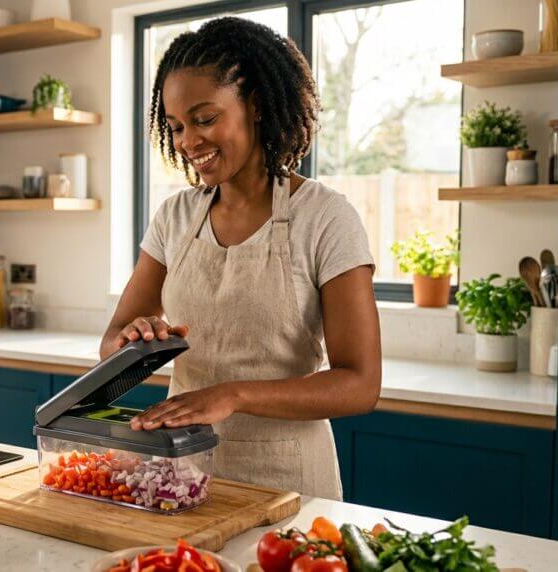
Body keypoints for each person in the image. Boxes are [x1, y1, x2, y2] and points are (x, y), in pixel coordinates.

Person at [99, 17, 382, 500]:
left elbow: (359, 384)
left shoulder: (326, 217)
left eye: (205, 119)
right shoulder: (175, 217)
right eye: (177, 127)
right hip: (183, 478)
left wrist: (233, 394)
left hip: (290, 488)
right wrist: (134, 343)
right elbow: (110, 348)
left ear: (255, 105)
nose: (189, 142)